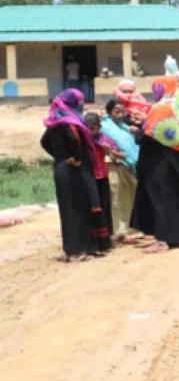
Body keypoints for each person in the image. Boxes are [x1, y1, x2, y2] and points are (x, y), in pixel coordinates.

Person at [130, 73, 179, 253]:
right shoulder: (178, 106)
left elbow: (148, 134)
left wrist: (138, 129)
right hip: (177, 161)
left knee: (160, 198)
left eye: (156, 88)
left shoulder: (160, 109)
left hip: (159, 163)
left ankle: (162, 240)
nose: (155, 91)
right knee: (176, 197)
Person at [39, 89, 106, 262]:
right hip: (75, 169)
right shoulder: (71, 122)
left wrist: (59, 156)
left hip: (61, 168)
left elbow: (44, 142)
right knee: (79, 208)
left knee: (67, 209)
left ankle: (71, 249)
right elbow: (73, 139)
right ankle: (81, 249)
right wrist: (74, 157)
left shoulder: (55, 121)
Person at [100, 99, 141, 242]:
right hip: (113, 166)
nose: (120, 114)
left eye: (122, 111)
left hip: (129, 167)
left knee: (127, 198)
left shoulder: (125, 127)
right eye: (116, 111)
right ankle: (116, 230)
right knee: (115, 199)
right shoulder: (104, 126)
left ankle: (124, 227)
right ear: (109, 112)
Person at [83, 111, 115, 254]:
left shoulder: (104, 139)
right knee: (93, 209)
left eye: (94, 128)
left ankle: (105, 240)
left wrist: (108, 151)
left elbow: (115, 154)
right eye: (88, 128)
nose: (91, 131)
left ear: (99, 127)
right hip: (89, 178)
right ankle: (93, 241)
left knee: (104, 208)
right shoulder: (83, 141)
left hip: (102, 176)